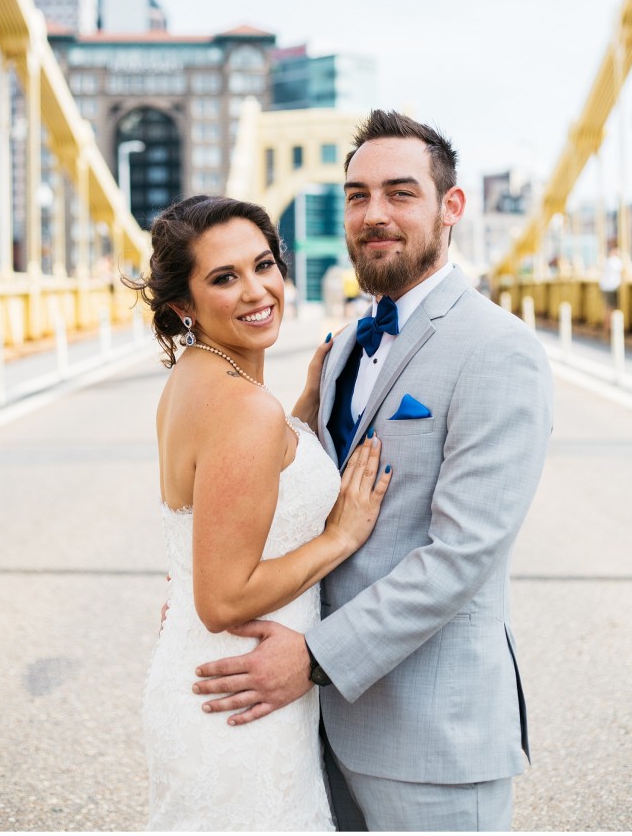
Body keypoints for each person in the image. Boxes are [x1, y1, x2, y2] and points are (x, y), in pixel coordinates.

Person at [192, 110, 554, 832]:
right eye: (357, 196)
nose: (373, 214)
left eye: (400, 193)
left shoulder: (498, 350)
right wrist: (200, 578)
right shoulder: (346, 344)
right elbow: (291, 501)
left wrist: (316, 660)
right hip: (315, 732)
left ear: (451, 207)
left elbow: (462, 555)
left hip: (431, 737)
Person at [126, 195, 392, 831]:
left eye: (263, 264)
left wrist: (298, 414)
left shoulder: (197, 379)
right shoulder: (245, 409)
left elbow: (241, 486)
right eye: (224, 277)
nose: (256, 291)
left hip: (208, 681)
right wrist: (339, 536)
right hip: (240, 699)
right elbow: (223, 598)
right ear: (181, 305)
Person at [599, 244, 623, 331]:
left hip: (605, 287)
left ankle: (607, 327)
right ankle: (609, 327)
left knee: (607, 307)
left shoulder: (607, 261)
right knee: (611, 308)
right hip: (612, 287)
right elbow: (623, 272)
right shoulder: (615, 261)